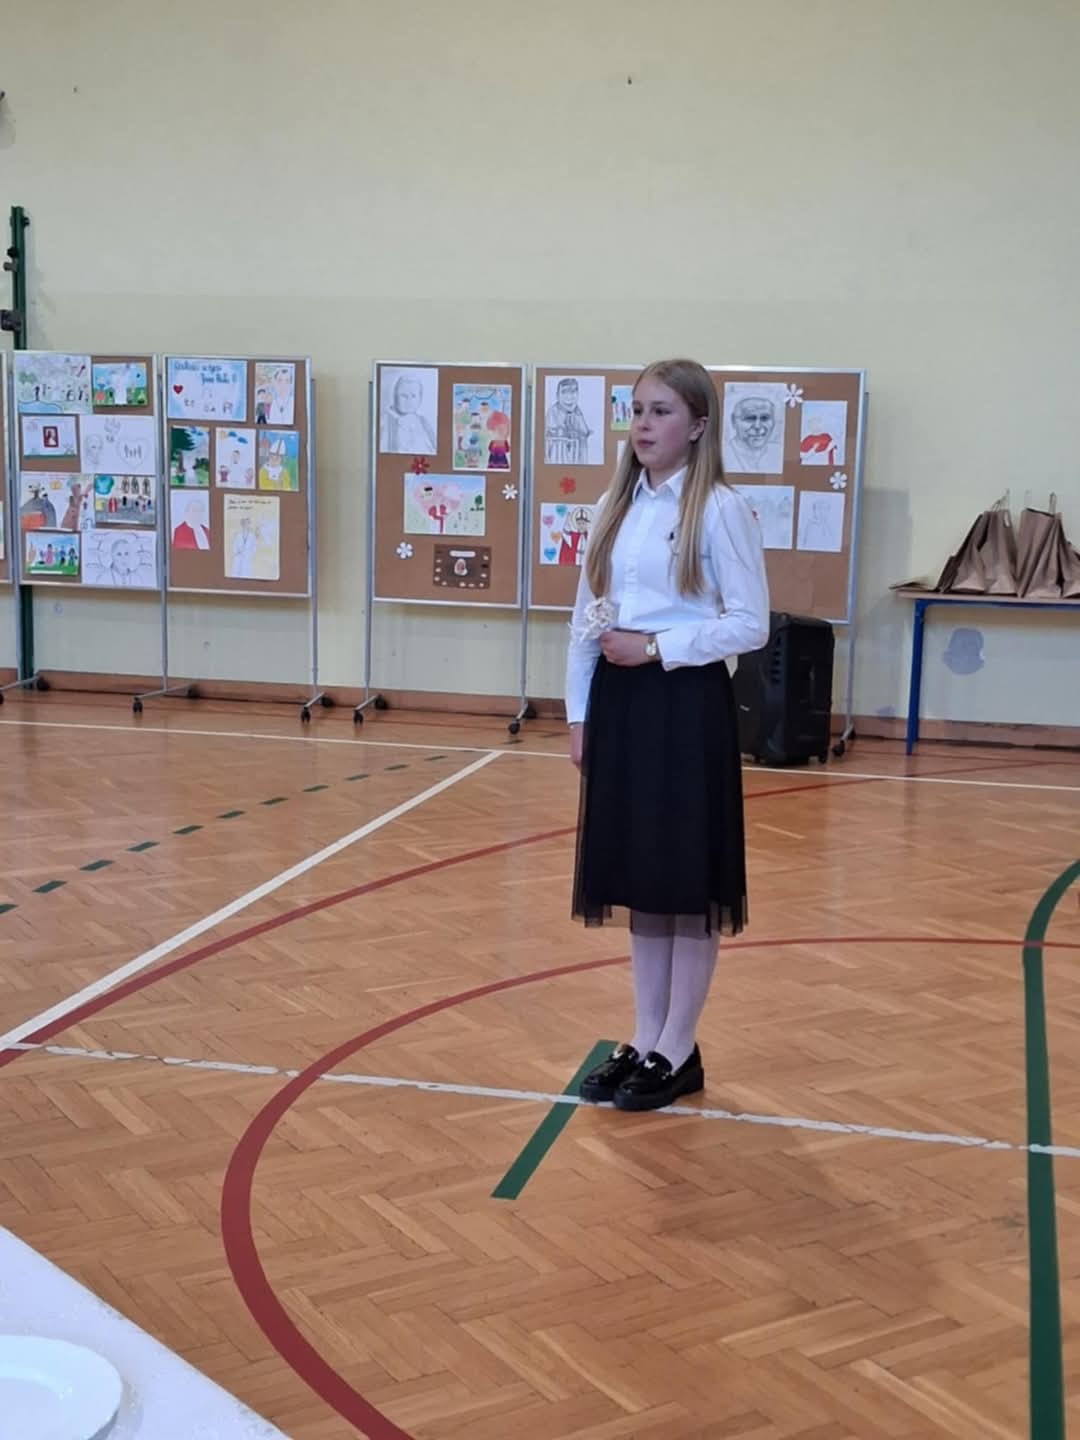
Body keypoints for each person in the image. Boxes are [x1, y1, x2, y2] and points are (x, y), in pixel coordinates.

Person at [566, 359, 770, 1112]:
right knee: (643, 879)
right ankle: (644, 1036)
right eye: (636, 411)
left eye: (660, 411)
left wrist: (656, 647)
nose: (643, 426)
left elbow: (750, 624)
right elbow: (584, 618)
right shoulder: (613, 506)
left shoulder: (719, 509)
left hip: (685, 704)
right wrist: (579, 713)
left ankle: (678, 1047)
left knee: (684, 881)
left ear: (698, 425)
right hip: (620, 704)